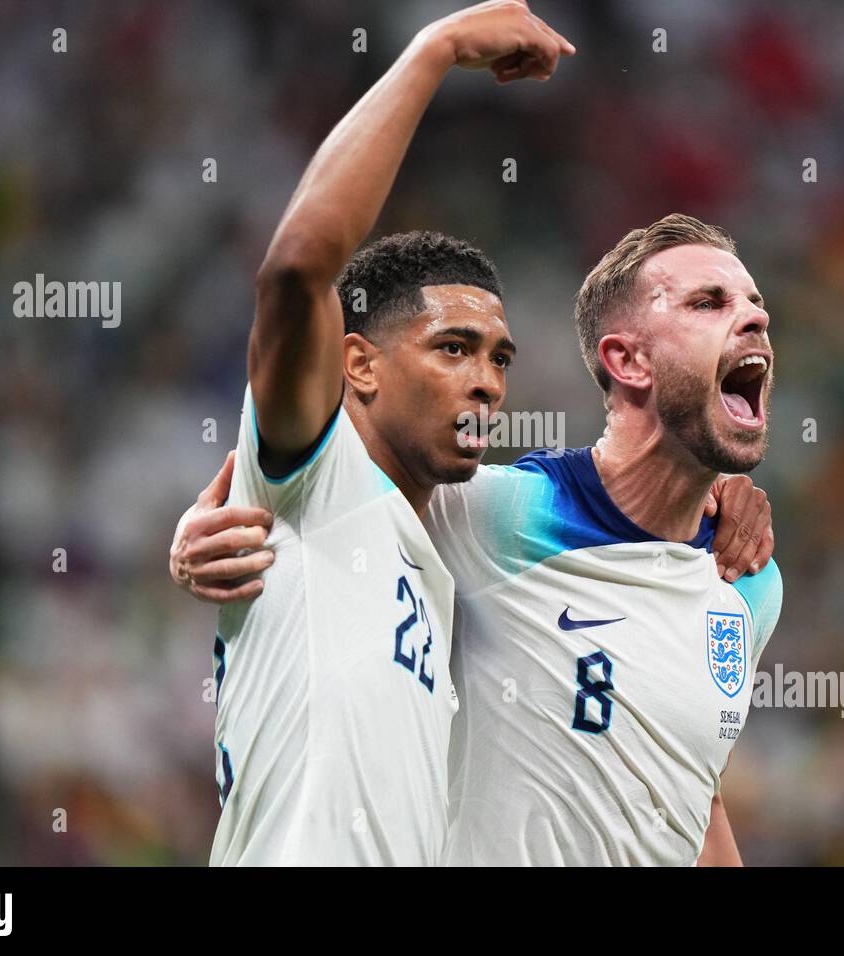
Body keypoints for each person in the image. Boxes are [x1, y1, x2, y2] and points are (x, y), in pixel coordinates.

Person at [200, 0, 575, 865]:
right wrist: (434, 50)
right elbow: (297, 266)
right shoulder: (312, 476)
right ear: (358, 366)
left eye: (500, 358)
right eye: (453, 347)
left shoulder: (439, 563)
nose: (487, 379)